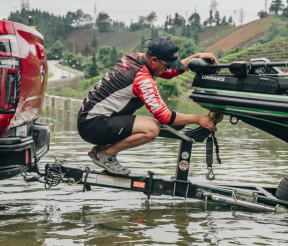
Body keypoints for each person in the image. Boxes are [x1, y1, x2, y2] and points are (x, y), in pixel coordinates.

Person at [77, 37, 218, 175]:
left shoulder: (135, 57)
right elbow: (165, 117)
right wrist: (198, 118)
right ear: (154, 60)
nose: (169, 67)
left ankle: (101, 149)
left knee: (158, 122)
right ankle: (106, 155)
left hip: (89, 119)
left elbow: (168, 73)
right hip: (94, 125)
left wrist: (196, 56)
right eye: (167, 64)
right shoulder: (143, 80)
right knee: (151, 129)